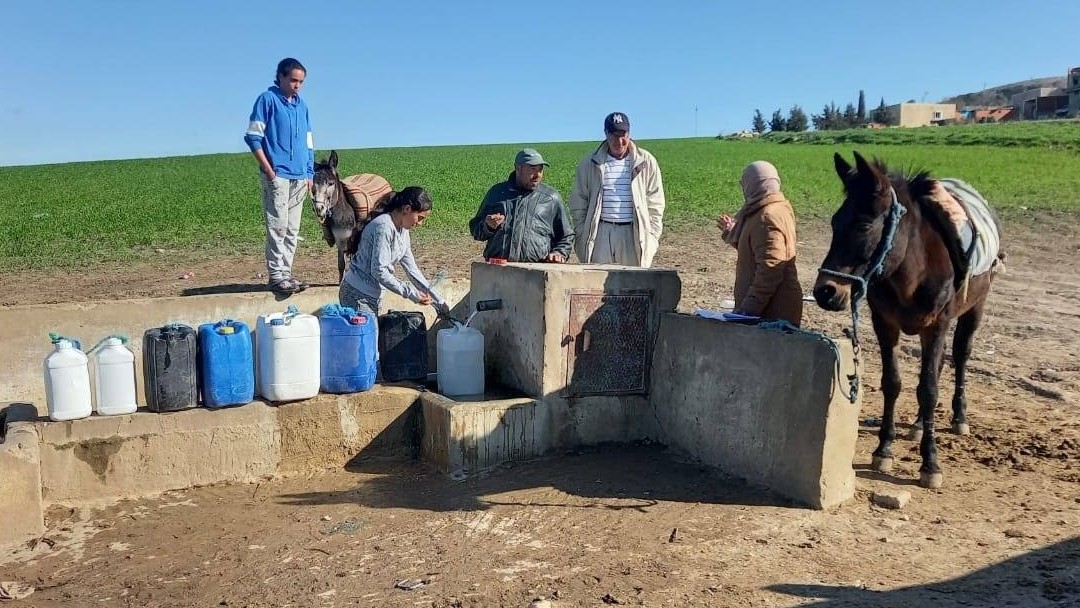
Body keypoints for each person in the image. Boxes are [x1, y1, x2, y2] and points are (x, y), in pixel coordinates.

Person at [244, 57, 315, 296]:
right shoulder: (267, 100)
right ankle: (276, 275)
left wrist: (309, 173)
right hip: (278, 174)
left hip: (299, 177)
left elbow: (308, 142)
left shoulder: (302, 107)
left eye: (301, 81)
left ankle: (286, 272)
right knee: (278, 225)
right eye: (293, 80)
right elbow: (253, 136)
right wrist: (268, 168)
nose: (297, 85)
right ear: (281, 77)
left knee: (293, 228)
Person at [569, 112, 666, 267]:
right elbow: (578, 201)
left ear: (629, 133)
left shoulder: (646, 161)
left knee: (633, 286)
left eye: (623, 135)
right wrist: (581, 232)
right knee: (597, 285)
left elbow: (655, 202)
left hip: (633, 232)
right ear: (606, 134)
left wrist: (652, 235)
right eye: (614, 135)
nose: (619, 141)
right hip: (601, 233)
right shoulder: (589, 163)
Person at [338, 186, 449, 318]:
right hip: (357, 295)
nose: (420, 224)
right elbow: (379, 271)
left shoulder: (403, 231)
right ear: (407, 209)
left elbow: (412, 270)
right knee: (364, 338)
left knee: (371, 338)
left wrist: (438, 301)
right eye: (420, 218)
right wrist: (411, 294)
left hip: (372, 297)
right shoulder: (384, 227)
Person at [717, 160, 803, 326]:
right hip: (770, 312)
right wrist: (732, 231)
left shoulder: (766, 217)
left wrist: (746, 312)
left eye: (744, 183)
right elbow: (756, 249)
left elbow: (769, 270)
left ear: (753, 184)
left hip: (771, 313)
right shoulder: (775, 208)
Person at [468, 148, 574, 263]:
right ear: (519, 168)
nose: (537, 175)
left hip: (536, 271)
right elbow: (475, 230)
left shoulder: (551, 198)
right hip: (498, 270)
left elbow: (567, 236)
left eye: (540, 169)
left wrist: (559, 252)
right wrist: (487, 225)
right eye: (533, 169)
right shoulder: (497, 193)